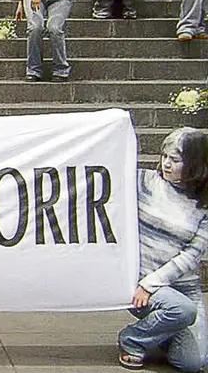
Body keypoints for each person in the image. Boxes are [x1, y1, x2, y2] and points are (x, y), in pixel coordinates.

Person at [117, 128, 208, 373]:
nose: (166, 164)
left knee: (192, 362)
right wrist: (146, 284)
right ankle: (132, 339)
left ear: (196, 164)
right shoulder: (143, 182)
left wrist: (154, 283)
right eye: (164, 156)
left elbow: (192, 254)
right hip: (139, 281)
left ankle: (161, 328)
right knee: (182, 311)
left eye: (175, 160)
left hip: (183, 286)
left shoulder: (204, 203)